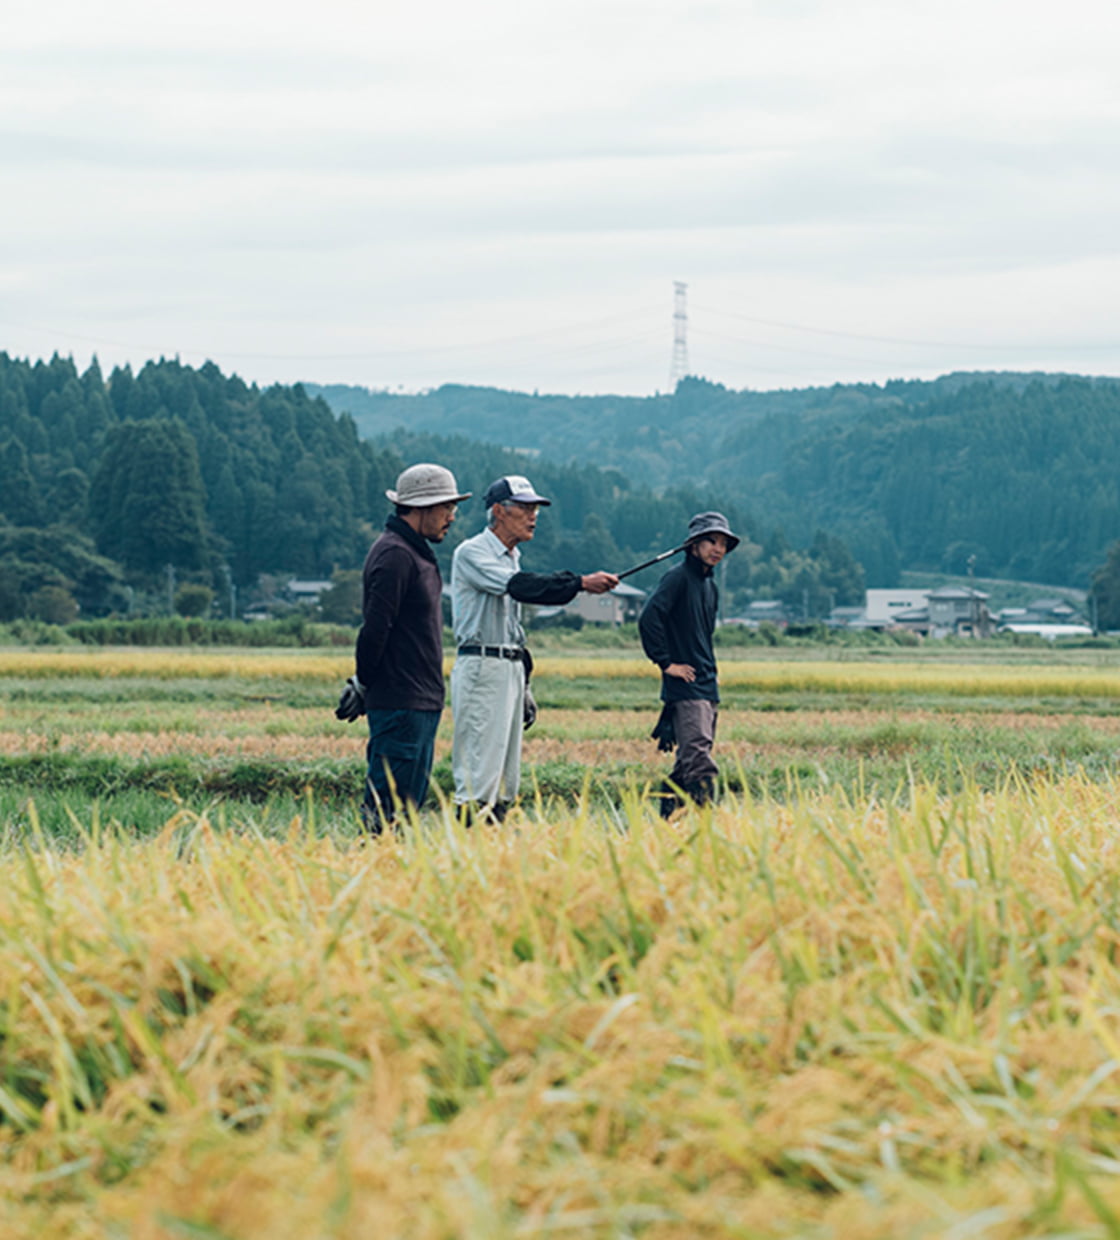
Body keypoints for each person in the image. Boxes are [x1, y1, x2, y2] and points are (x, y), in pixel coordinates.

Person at [450, 475, 619, 820]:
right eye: (525, 508)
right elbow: (522, 587)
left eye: (535, 508)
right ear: (498, 510)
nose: (534, 516)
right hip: (483, 666)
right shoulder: (472, 553)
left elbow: (514, 627)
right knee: (479, 774)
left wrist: (525, 685)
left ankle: (494, 853)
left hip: (508, 666)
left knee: (506, 779)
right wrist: (581, 584)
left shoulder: (513, 555)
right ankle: (465, 853)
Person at [341, 462, 471, 833]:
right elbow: (375, 629)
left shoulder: (414, 552)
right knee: (388, 809)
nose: (452, 516)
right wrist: (364, 681)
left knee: (407, 809)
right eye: (446, 507)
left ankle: (393, 880)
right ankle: (373, 874)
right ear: (422, 507)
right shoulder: (396, 554)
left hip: (418, 701)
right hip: (401, 702)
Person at [638, 511, 739, 815]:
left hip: (707, 682)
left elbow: (704, 636)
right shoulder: (677, 578)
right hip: (686, 685)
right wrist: (666, 663)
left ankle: (669, 824)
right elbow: (649, 619)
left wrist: (712, 671)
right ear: (693, 545)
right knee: (698, 759)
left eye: (723, 543)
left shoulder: (710, 587)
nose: (717, 549)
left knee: (689, 761)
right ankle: (707, 825)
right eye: (711, 541)